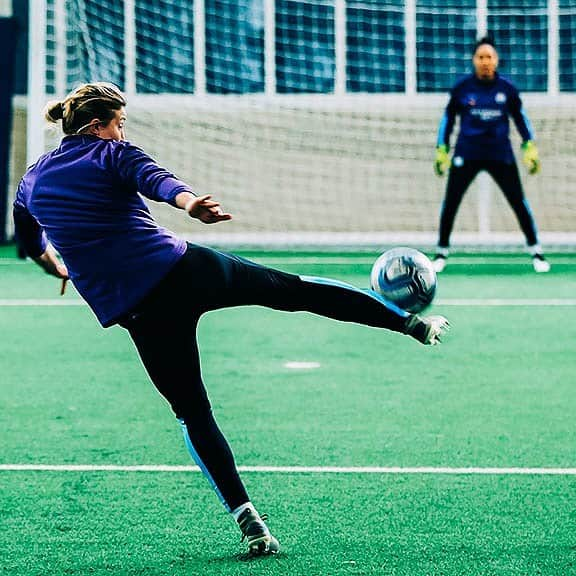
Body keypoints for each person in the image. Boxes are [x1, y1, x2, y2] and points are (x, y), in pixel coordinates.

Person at [13, 82, 449, 557]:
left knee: (192, 412)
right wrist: (190, 203)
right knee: (293, 291)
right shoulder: (111, 154)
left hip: (140, 311)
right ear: (97, 127)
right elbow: (158, 180)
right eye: (119, 123)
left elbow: (29, 239)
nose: (122, 132)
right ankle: (410, 323)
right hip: (184, 272)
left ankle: (250, 522)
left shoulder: (31, 180)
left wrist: (52, 264)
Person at [433, 36, 550, 274]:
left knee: (518, 202)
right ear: (474, 60)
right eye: (481, 57)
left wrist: (529, 146)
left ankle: (536, 252)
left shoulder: (507, 89)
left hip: (500, 154)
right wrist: (442, 149)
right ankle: (441, 252)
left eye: (489, 57)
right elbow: (448, 120)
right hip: (467, 152)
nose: (485, 61)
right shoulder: (462, 89)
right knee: (451, 203)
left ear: (496, 60)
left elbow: (521, 119)